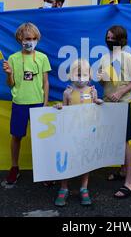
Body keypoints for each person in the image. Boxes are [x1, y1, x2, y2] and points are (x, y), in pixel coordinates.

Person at [2, 22, 51, 185]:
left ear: (37, 39)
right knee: (16, 136)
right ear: (19, 39)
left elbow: (45, 82)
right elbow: (10, 84)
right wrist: (9, 74)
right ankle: (14, 167)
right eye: (26, 38)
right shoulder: (13, 58)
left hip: (38, 103)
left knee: (41, 139)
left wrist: (45, 104)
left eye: (33, 38)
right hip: (19, 103)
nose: (30, 41)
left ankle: (44, 171)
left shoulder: (43, 57)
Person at [53, 59, 104, 207]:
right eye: (78, 74)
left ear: (90, 76)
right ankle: (64, 188)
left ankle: (84, 187)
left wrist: (98, 101)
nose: (81, 78)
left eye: (84, 74)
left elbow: (96, 107)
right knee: (67, 158)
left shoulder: (92, 91)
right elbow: (64, 109)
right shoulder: (68, 92)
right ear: (71, 76)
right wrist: (59, 106)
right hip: (71, 131)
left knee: (85, 159)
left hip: (87, 132)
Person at [98, 25, 131, 198]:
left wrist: (121, 92)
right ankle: (123, 171)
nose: (109, 40)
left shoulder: (128, 57)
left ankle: (130, 181)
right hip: (108, 103)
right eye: (107, 37)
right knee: (116, 139)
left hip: (123, 103)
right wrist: (101, 79)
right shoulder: (104, 58)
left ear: (121, 39)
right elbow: (104, 84)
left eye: (112, 37)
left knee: (124, 141)